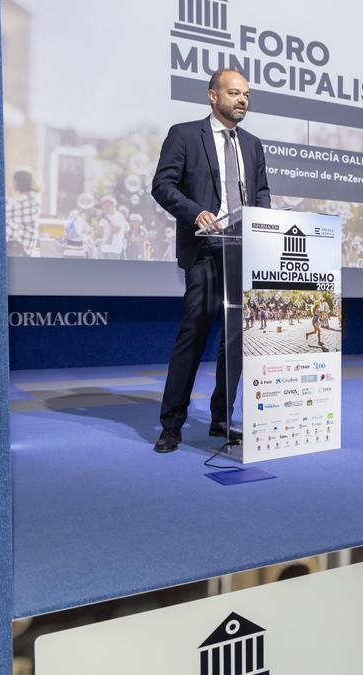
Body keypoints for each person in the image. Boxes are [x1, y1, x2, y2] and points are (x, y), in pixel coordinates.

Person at [150, 68, 271, 453]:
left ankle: (221, 418)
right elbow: (162, 186)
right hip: (204, 249)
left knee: (235, 340)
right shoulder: (185, 135)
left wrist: (265, 223)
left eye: (247, 95)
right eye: (235, 93)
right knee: (194, 334)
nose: (242, 100)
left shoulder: (252, 144)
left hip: (242, 252)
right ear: (212, 96)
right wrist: (195, 212)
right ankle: (172, 424)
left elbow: (262, 192)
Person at [5, 168, 41, 255]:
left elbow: (7, 212)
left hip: (22, 246)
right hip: (25, 244)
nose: (12, 184)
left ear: (19, 182)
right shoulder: (31, 196)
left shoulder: (28, 199)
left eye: (14, 181)